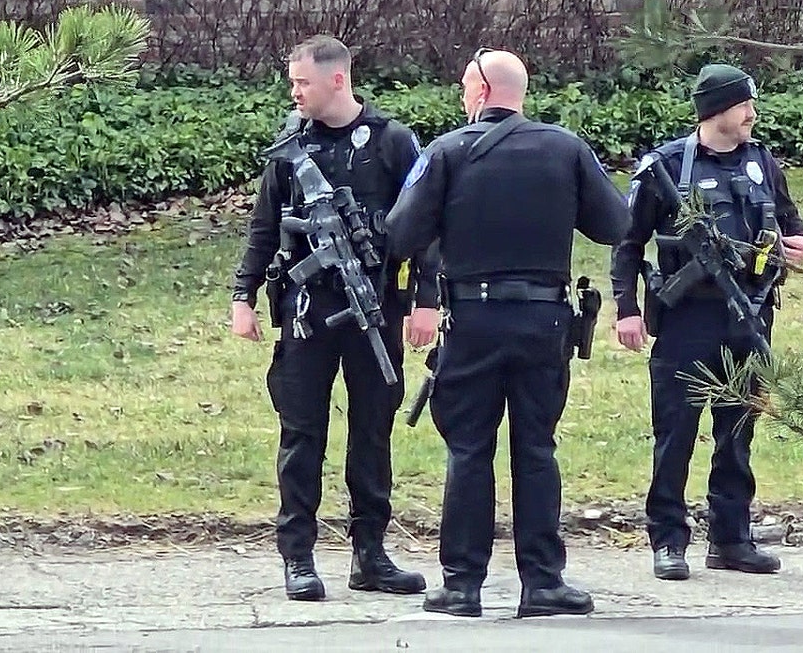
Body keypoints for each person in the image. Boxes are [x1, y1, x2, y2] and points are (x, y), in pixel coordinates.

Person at [385, 48, 630, 618]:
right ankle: (542, 583)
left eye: (465, 85)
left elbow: (399, 233)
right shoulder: (566, 149)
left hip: (472, 320)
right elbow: (615, 223)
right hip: (544, 322)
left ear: (482, 90)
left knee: (469, 449)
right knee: (537, 449)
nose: (461, 95)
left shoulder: (447, 152)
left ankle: (463, 585)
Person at [230, 35, 442, 602]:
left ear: (337, 80)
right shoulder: (290, 146)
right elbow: (263, 226)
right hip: (307, 311)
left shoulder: (393, 142)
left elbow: (424, 227)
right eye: (293, 82)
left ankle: (369, 554)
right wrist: (242, 296)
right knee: (302, 434)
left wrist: (426, 299)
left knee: (372, 432)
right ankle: (297, 554)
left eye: (302, 82)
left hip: (373, 308)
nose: (294, 92)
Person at [609, 63, 803, 581]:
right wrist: (627, 309)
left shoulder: (762, 162)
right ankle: (668, 541)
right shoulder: (664, 167)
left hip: (750, 313)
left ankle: (731, 538)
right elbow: (627, 242)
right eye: (743, 104)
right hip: (686, 320)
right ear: (716, 111)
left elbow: (793, 223)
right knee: (675, 431)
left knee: (738, 431)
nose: (752, 114)